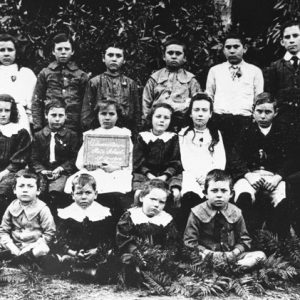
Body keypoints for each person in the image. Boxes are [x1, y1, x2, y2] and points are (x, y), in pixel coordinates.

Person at [233, 93, 291, 237]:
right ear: (253, 110)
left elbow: (292, 158)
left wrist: (278, 177)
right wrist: (247, 175)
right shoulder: (245, 130)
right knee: (243, 195)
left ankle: (282, 243)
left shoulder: (283, 131)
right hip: (249, 176)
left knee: (282, 199)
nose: (263, 116)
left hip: (273, 177)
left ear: (275, 112)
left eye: (268, 112)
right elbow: (234, 156)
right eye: (259, 111)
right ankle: (244, 239)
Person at [184, 169, 266, 269]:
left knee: (260, 256)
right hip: (207, 255)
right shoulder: (197, 212)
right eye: (214, 191)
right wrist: (207, 252)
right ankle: (226, 268)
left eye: (224, 191)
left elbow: (245, 240)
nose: (219, 195)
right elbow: (189, 242)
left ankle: (235, 266)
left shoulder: (236, 212)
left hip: (231, 256)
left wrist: (234, 252)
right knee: (196, 257)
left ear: (231, 194)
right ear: (205, 193)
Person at [65, 100, 133, 218]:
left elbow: (129, 161)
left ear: (118, 116)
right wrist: (87, 165)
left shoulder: (124, 134)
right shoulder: (91, 134)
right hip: (94, 171)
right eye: (103, 114)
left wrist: (115, 167)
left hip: (116, 172)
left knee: (115, 188)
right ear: (97, 115)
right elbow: (80, 161)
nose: (107, 117)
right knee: (81, 182)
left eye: (111, 114)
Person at [176, 93, 226, 232]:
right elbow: (184, 158)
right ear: (190, 113)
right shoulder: (183, 134)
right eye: (196, 110)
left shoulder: (215, 133)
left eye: (204, 110)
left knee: (214, 195)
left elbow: (220, 160)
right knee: (190, 197)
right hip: (190, 175)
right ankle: (188, 236)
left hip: (211, 176)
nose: (200, 114)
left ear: (210, 114)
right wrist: (196, 176)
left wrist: (209, 177)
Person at [206, 32, 264, 150]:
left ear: (245, 49)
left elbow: (259, 98)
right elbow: (209, 96)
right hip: (220, 119)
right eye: (228, 47)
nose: (232, 51)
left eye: (236, 47)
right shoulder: (215, 71)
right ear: (223, 50)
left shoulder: (255, 71)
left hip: (245, 120)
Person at [116, 179, 178, 286]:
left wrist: (164, 255)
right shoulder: (131, 216)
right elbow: (123, 237)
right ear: (142, 197)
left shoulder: (166, 219)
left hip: (157, 257)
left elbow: (172, 242)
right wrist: (136, 252)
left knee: (169, 267)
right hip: (136, 255)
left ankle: (154, 278)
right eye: (153, 199)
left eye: (161, 202)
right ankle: (136, 277)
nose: (156, 205)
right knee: (127, 260)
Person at [55, 174, 115, 282]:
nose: (83, 197)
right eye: (79, 193)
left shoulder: (104, 213)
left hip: (96, 252)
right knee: (63, 259)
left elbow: (108, 237)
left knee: (109, 256)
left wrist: (96, 250)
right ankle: (76, 267)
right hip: (74, 252)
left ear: (95, 194)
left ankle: (93, 270)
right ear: (72, 195)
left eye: (88, 193)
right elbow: (60, 237)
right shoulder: (67, 213)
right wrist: (73, 252)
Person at [0, 169, 57, 273]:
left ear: (38, 190)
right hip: (14, 247)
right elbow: (3, 231)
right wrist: (12, 246)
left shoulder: (42, 209)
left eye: (30, 186)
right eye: (21, 186)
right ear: (14, 190)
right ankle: (19, 261)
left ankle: (17, 262)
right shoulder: (12, 206)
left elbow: (49, 234)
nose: (25, 190)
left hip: (33, 248)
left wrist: (30, 248)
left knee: (44, 249)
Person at [32, 33, 88, 133]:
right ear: (53, 51)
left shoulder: (81, 75)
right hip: (49, 126)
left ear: (73, 51)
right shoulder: (45, 73)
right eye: (59, 49)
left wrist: (84, 126)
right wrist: (38, 127)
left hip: (73, 127)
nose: (63, 52)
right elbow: (37, 101)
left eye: (66, 49)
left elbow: (86, 104)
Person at [81, 44, 141, 137]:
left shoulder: (130, 84)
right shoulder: (94, 82)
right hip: (99, 133)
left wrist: (135, 135)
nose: (114, 59)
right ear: (103, 58)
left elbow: (136, 114)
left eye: (118, 56)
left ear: (124, 60)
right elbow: (86, 114)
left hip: (125, 133)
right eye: (110, 55)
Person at [30, 100, 80, 211]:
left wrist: (61, 168)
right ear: (46, 115)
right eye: (53, 115)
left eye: (61, 115)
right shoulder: (39, 136)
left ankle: (56, 217)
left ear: (66, 116)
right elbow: (33, 158)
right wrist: (42, 170)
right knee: (38, 190)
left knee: (56, 191)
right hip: (43, 171)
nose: (57, 119)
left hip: (62, 172)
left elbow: (74, 158)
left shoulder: (71, 135)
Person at [142, 38, 201, 131]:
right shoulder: (154, 78)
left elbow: (197, 103)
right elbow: (146, 104)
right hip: (158, 124)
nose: (174, 56)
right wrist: (148, 124)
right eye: (170, 53)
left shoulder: (191, 80)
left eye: (178, 53)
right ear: (164, 57)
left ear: (184, 58)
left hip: (183, 125)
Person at [132, 102, 182, 206]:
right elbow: (138, 163)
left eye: (166, 118)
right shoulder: (142, 137)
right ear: (151, 118)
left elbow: (175, 161)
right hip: (145, 175)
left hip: (169, 176)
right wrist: (150, 175)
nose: (162, 120)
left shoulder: (173, 137)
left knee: (176, 193)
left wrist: (164, 176)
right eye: (158, 116)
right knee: (138, 194)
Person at [265, 20, 300, 127]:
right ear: (282, 42)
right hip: (284, 120)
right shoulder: (275, 66)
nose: (291, 40)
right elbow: (271, 94)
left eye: (295, 36)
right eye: (287, 37)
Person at [0, 33, 36, 134]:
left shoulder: (25, 73)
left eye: (10, 50)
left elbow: (32, 102)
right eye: (2, 50)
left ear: (16, 51)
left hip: (19, 118)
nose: (6, 54)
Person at [0, 94, 31, 211]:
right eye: (0, 110)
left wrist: (2, 174)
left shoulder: (19, 132)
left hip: (10, 172)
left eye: (6, 110)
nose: (3, 114)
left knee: (3, 190)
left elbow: (20, 159)